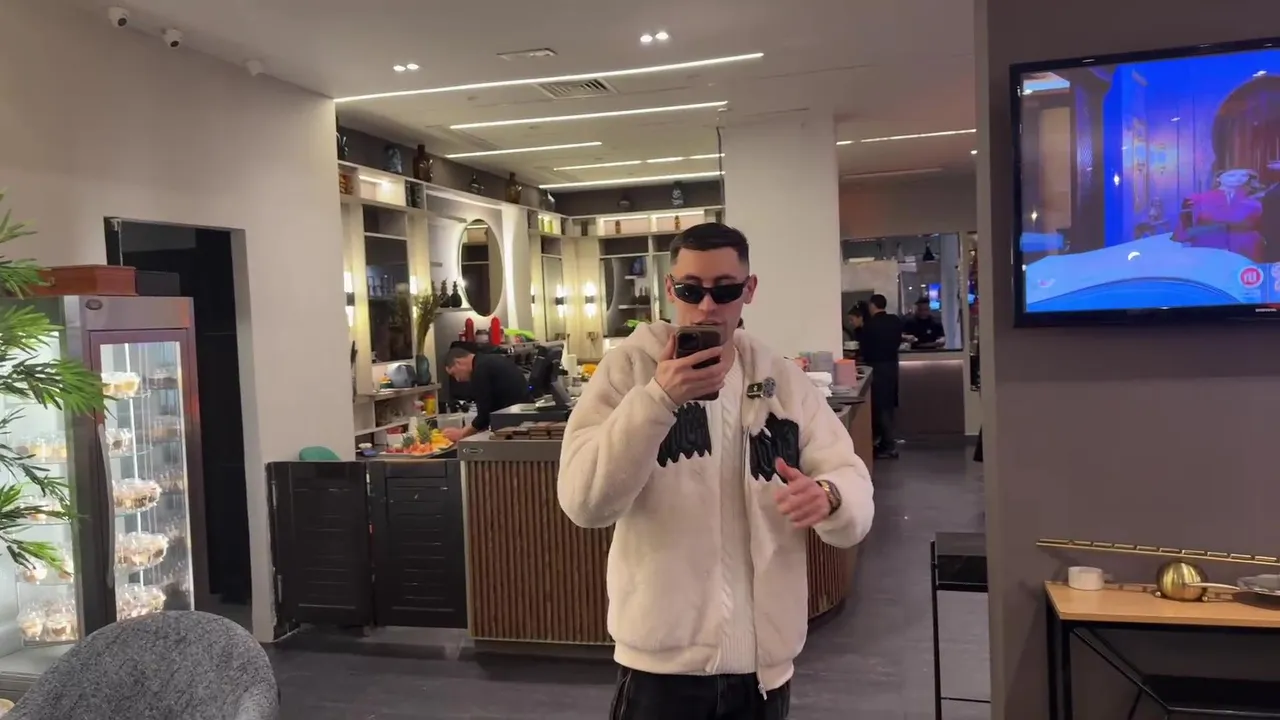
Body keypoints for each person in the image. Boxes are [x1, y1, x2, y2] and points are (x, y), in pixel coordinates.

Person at [557, 222, 874, 720]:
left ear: (749, 289)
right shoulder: (627, 373)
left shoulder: (781, 382)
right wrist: (658, 400)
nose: (707, 307)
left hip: (764, 673)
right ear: (670, 289)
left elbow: (849, 477)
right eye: (691, 290)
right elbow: (584, 503)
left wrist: (829, 496)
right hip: (660, 672)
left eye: (724, 291)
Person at [440, 346, 531, 442]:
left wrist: (461, 433)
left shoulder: (480, 371)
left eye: (454, 374)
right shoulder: (491, 360)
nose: (457, 379)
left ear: (458, 363)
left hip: (515, 427)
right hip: (526, 419)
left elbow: (484, 417)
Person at [1174, 167, 1266, 261]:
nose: (1238, 178)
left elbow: (1263, 226)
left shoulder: (1258, 199)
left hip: (1246, 251)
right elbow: (1185, 228)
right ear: (1218, 178)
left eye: (1243, 175)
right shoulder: (1197, 199)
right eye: (1231, 175)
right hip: (1209, 249)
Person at [858, 294, 903, 459]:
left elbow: (865, 349)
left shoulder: (869, 325)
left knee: (880, 406)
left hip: (876, 367)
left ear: (872, 306)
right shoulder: (895, 321)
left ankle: (888, 445)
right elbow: (898, 341)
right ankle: (886, 442)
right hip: (892, 366)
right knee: (888, 405)